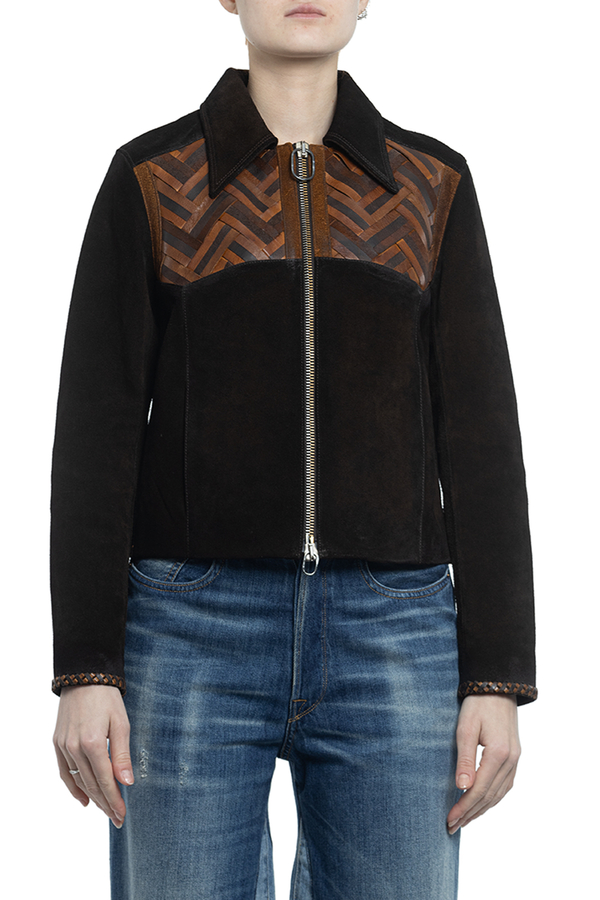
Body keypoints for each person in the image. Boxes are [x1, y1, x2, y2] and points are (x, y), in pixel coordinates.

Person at [51, 2, 537, 898]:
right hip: (189, 630)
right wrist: (87, 667)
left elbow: (481, 439)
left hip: (394, 633)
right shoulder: (153, 178)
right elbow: (96, 429)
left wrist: (498, 674)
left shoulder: (430, 186)